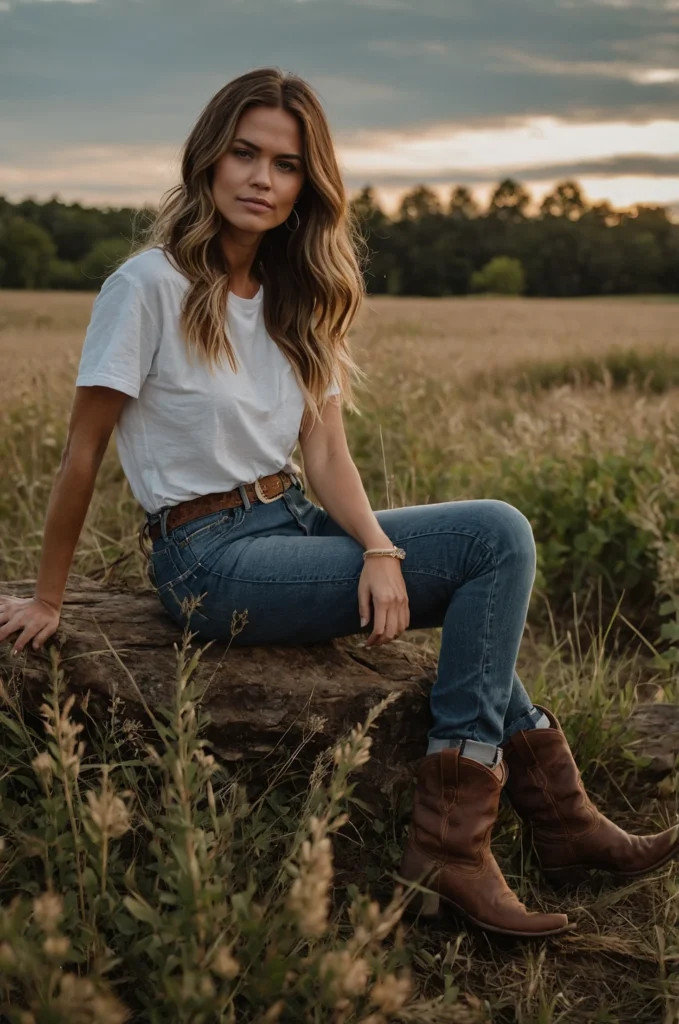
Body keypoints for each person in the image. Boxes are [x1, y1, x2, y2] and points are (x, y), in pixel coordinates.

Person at [0, 68, 676, 939]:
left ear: (304, 188)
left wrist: (379, 550)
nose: (259, 178)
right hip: (208, 556)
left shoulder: (295, 297)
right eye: (244, 153)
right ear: (207, 159)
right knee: (495, 540)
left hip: (291, 523)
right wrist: (49, 600)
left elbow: (324, 452)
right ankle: (474, 842)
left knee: (493, 538)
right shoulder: (146, 287)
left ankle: (554, 822)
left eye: (284, 165)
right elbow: (82, 452)